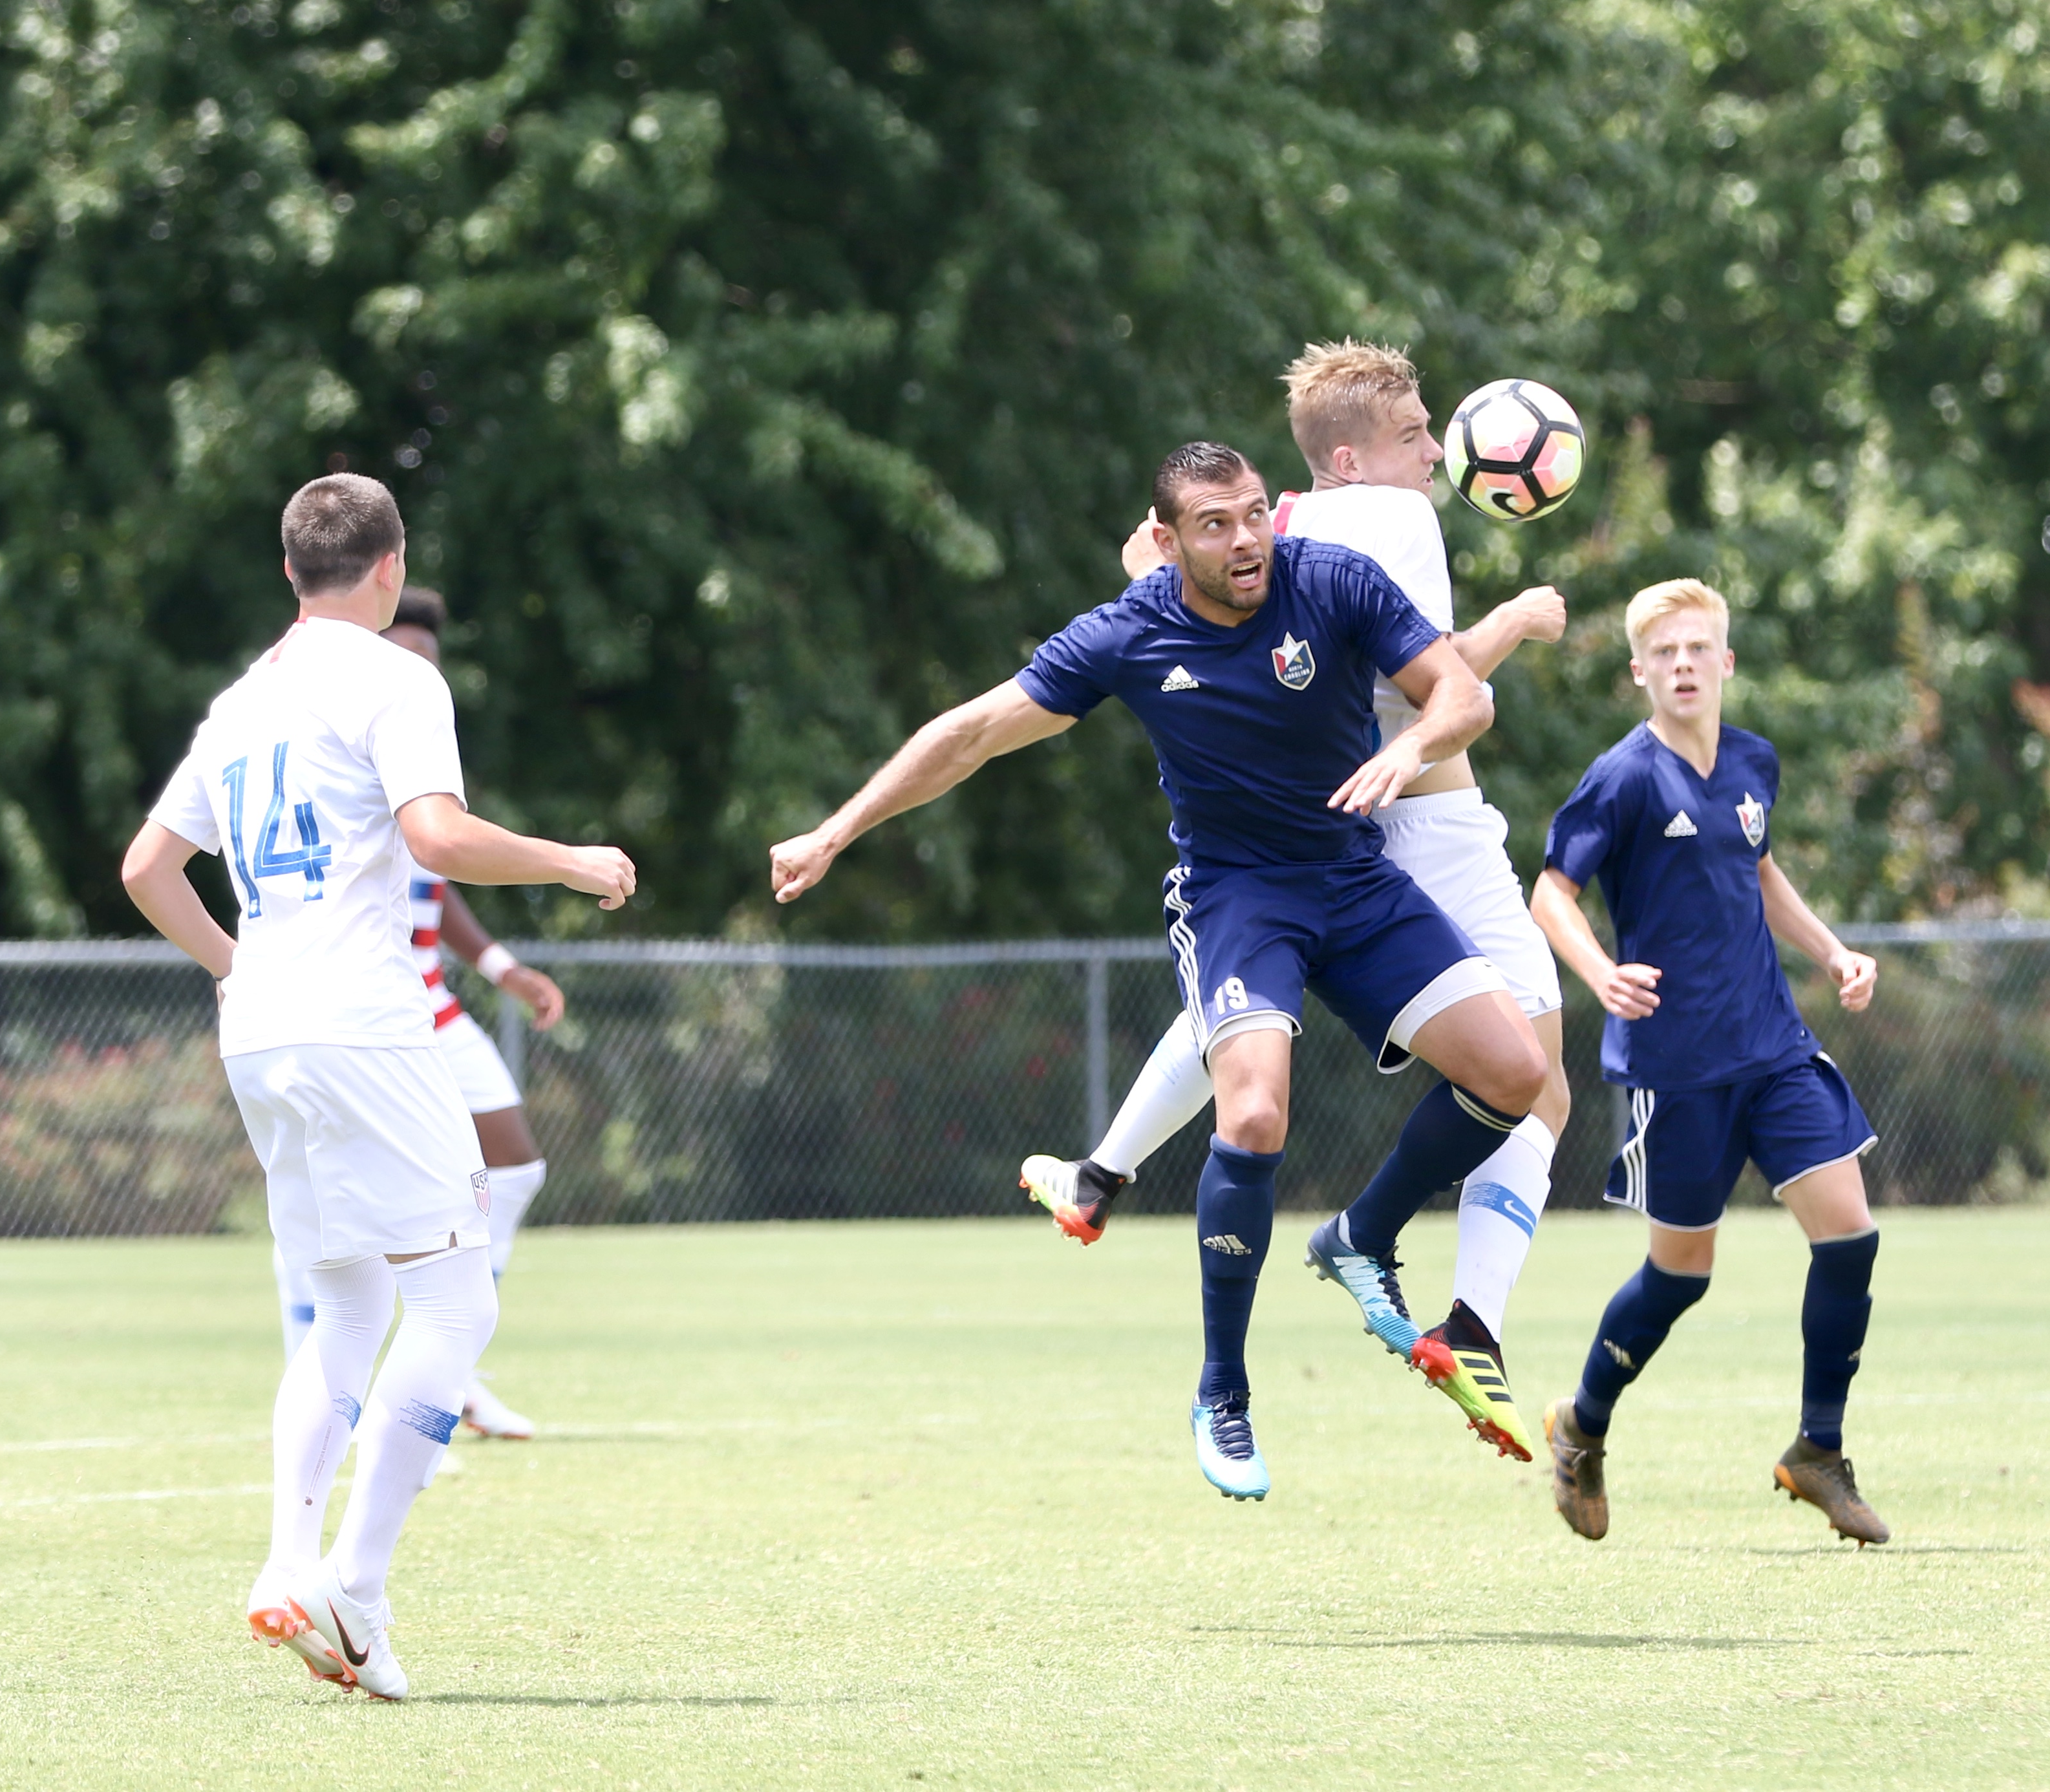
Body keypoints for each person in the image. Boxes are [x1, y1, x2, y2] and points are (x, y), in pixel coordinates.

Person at [772, 442, 1550, 1501]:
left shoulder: (1330, 580)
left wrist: (1410, 751)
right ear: (1168, 542)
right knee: (1257, 1116)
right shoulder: (1133, 632)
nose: (1243, 542)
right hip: (1238, 899)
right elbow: (969, 735)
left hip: (1354, 882)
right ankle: (1223, 1391)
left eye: (1250, 517)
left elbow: (1461, 694)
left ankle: (1362, 1233)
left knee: (1514, 1076)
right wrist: (835, 831)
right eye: (1214, 526)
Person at [121, 475, 635, 1698]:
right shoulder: (399, 678)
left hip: (268, 1036)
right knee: (455, 1307)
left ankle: (285, 1561)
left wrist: (241, 971)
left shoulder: (243, 703)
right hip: (362, 1022)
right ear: (390, 568)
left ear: (290, 572)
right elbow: (440, 836)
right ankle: (352, 1590)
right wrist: (574, 862)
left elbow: (148, 868)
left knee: (346, 1304)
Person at [1019, 340, 1568, 1460]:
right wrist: (1516, 620)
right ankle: (1465, 1320)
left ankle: (1101, 1171)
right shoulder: (1387, 522)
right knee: (1536, 1077)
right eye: (1421, 434)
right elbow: (1441, 675)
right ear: (1356, 458)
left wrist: (1153, 572)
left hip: (1322, 831)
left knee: (1243, 1015)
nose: (1437, 453)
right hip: (1424, 821)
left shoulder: (1284, 538)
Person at [1527, 577, 1891, 1546]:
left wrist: (1832, 951)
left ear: (1725, 663)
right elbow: (1552, 893)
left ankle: (1818, 1449)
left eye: (1699, 649)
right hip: (1676, 1067)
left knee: (1850, 1235)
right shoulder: (1623, 778)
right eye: (1665, 653)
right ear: (1639, 671)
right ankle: (1585, 1421)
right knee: (1682, 1276)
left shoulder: (1754, 764)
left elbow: (1757, 867)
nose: (1683, 665)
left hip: (1772, 1047)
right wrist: (1600, 974)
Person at [258, 587, 561, 1439]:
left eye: (433, 661)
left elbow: (436, 877)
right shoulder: (341, 724)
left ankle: (447, 1366)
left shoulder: (415, 722)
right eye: (410, 654)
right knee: (347, 1216)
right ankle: (387, 1377)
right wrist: (572, 864)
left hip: (428, 1004)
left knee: (512, 1166)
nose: (424, 673)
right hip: (362, 1011)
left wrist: (503, 967)